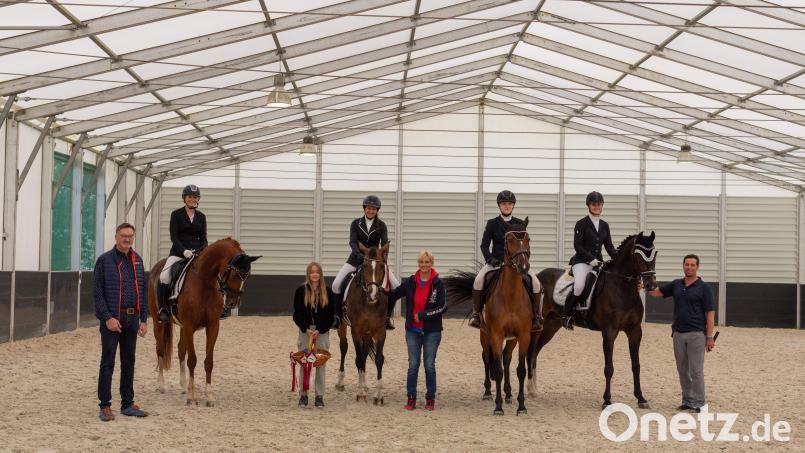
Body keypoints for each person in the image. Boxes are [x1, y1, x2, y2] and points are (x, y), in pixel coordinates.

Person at [93, 223, 148, 422]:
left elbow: (142, 291)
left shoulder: (138, 261)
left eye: (130, 236)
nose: (127, 239)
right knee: (108, 361)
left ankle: (127, 404)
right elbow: (97, 294)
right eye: (123, 235)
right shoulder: (104, 261)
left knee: (129, 361)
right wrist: (107, 318)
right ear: (116, 237)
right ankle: (105, 405)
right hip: (112, 320)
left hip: (132, 318)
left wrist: (143, 319)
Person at [648, 254, 716, 413]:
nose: (689, 267)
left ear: (697, 267)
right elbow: (657, 293)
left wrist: (710, 337)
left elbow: (710, 314)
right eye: (687, 264)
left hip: (697, 334)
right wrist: (644, 287)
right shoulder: (677, 284)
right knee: (682, 369)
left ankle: (699, 403)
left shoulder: (704, 288)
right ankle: (687, 400)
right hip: (678, 334)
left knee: (696, 370)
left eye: (693, 265)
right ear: (683, 265)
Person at [469, 190, 542, 331]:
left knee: (536, 283)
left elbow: (525, 245)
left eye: (509, 204)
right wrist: (490, 259)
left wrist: (524, 261)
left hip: (517, 264)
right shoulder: (492, 223)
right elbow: (484, 245)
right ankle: (476, 315)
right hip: (496, 263)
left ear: (513, 205)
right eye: (504, 204)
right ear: (499, 206)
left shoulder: (520, 223)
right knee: (478, 280)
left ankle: (536, 317)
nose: (507, 206)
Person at [386, 251, 446, 411]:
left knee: (429, 365)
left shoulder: (438, 283)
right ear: (418, 264)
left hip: (432, 332)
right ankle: (411, 397)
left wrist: (423, 315)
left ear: (431, 263)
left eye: (427, 262)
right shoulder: (411, 281)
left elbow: (442, 307)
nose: (424, 265)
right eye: (421, 262)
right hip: (412, 331)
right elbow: (395, 294)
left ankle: (430, 398)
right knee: (413, 365)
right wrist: (382, 289)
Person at [331, 195, 400, 330]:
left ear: (377, 210)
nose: (371, 211)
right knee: (336, 284)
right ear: (364, 209)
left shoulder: (381, 225)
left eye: (374, 209)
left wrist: (383, 256)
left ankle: (387, 317)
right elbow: (352, 241)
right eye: (369, 208)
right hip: (356, 259)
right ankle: (337, 317)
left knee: (396, 285)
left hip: (375, 261)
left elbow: (384, 242)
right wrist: (359, 255)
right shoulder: (356, 224)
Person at [562, 190, 617, 329]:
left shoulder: (605, 225)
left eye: (599, 204)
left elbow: (609, 246)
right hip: (581, 262)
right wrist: (590, 259)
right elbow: (577, 245)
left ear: (602, 205)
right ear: (588, 206)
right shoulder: (581, 223)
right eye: (594, 204)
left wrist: (618, 258)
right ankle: (566, 315)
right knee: (579, 285)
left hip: (598, 263)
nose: (596, 207)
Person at [157, 184, 208, 322]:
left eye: (195, 197)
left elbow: (204, 239)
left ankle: (217, 307)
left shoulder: (201, 217)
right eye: (190, 197)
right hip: (179, 253)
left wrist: (202, 252)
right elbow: (174, 237)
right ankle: (163, 309)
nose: (192, 199)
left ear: (198, 199)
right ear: (184, 198)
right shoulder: (176, 214)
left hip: (197, 255)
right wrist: (184, 251)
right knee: (164, 276)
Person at [292, 262, 335, 408]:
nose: (315, 274)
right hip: (306, 332)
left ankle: (319, 395)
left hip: (321, 332)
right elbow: (296, 314)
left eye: (317, 272)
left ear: (321, 274)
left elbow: (330, 316)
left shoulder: (328, 292)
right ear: (308, 274)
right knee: (305, 362)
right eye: (312, 272)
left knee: (320, 363)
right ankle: (303, 395)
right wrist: (305, 328)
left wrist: (320, 329)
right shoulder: (300, 291)